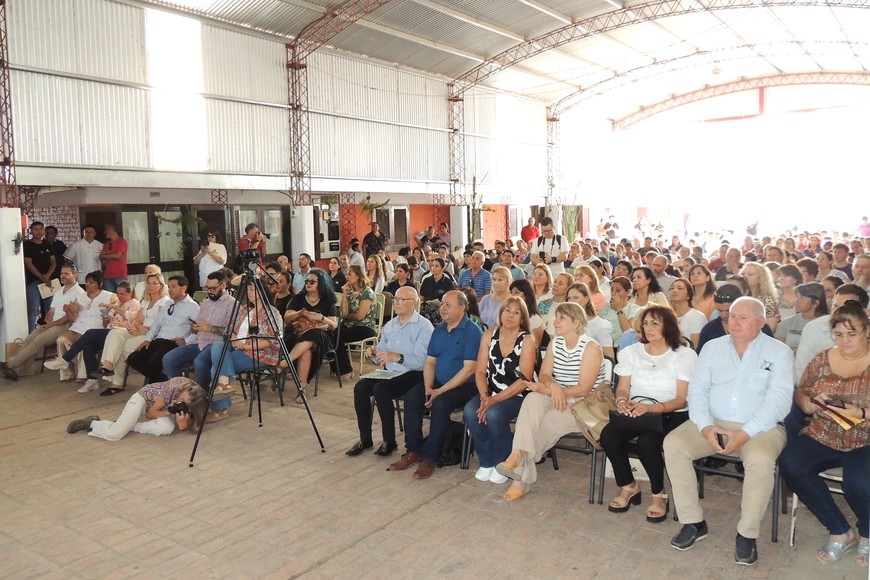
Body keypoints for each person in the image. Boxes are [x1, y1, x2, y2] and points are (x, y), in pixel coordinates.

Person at [663, 297, 793, 566]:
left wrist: (745, 433)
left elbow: (779, 402)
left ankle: (747, 534)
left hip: (762, 429)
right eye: (732, 316)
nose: (734, 322)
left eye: (743, 318)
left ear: (760, 322)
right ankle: (693, 522)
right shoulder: (712, 348)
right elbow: (697, 391)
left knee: (761, 460)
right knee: (673, 444)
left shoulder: (779, 352)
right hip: (713, 422)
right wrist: (706, 426)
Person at [779, 302, 870, 566]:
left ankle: (867, 532)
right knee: (791, 463)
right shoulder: (823, 359)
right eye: (838, 334)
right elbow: (802, 390)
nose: (844, 340)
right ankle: (840, 531)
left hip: (865, 440)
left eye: (852, 334)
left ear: (867, 331)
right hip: (824, 433)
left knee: (858, 483)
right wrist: (807, 403)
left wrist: (862, 413)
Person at [495, 302, 606, 501]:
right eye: (556, 317)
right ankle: (517, 453)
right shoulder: (556, 343)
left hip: (583, 405)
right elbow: (544, 374)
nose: (555, 321)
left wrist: (551, 390)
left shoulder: (591, 348)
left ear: (576, 322)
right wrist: (553, 387)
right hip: (557, 396)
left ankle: (521, 476)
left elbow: (584, 389)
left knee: (548, 420)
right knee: (532, 399)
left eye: (561, 318)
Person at [600, 306, 697, 522]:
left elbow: (682, 399)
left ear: (668, 326)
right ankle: (629, 486)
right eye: (645, 323)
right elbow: (622, 388)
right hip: (637, 410)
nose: (648, 328)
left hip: (670, 413)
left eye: (655, 323)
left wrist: (650, 408)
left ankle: (658, 494)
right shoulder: (631, 353)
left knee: (647, 442)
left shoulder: (683, 355)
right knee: (608, 436)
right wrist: (622, 402)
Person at [388, 290, 483, 479]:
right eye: (442, 304)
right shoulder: (439, 329)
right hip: (439, 382)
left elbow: (468, 370)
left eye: (448, 305)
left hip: (466, 385)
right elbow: (430, 362)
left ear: (462, 308)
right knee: (413, 397)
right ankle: (413, 450)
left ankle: (430, 456)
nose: (443, 308)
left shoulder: (472, 331)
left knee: (440, 403)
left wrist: (439, 391)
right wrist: (428, 387)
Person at [346, 286, 433, 458]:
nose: (396, 303)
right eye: (395, 299)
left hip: (414, 373)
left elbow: (422, 362)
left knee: (381, 389)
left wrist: (397, 357)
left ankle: (389, 440)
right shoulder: (390, 325)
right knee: (360, 388)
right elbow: (382, 353)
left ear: (413, 303)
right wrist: (374, 354)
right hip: (391, 372)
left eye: (401, 299)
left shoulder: (424, 327)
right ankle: (365, 438)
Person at [464, 296, 536, 484]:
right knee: (471, 411)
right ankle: (487, 461)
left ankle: (503, 462)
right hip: (492, 391)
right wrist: (484, 396)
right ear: (501, 313)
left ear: (522, 319)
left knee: (494, 413)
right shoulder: (488, 335)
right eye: (507, 310)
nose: (510, 315)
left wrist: (493, 401)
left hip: (520, 394)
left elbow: (524, 380)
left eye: (516, 312)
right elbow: (480, 371)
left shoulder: (527, 340)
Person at [46, 280, 141, 393]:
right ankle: (92, 380)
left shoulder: (135, 303)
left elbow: (130, 317)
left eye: (122, 294)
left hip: (122, 333)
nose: (119, 296)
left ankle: (65, 359)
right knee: (89, 345)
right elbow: (106, 324)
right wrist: (105, 318)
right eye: (118, 293)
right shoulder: (117, 303)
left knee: (90, 333)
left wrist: (115, 308)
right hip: (109, 331)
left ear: (130, 293)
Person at [206, 282, 283, 422]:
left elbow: (271, 340)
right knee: (217, 345)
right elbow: (229, 329)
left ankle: (221, 407)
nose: (249, 292)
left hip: (260, 353)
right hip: (236, 345)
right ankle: (224, 384)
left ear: (262, 291)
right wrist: (235, 339)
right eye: (247, 289)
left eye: (252, 289)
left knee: (216, 366)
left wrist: (246, 346)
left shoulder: (271, 312)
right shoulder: (244, 309)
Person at [0, 264, 84, 381]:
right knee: (30, 338)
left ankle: (10, 364)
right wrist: (46, 324)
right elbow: (51, 311)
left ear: (75, 275)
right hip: (53, 324)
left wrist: (51, 325)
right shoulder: (59, 291)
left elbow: (69, 317)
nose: (63, 276)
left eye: (66, 273)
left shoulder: (79, 293)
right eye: (61, 273)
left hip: (66, 326)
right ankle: (16, 369)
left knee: (38, 341)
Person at [160, 271, 236, 395]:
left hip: (215, 345)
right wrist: (194, 327)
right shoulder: (206, 303)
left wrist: (210, 328)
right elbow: (196, 329)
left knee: (199, 363)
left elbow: (233, 331)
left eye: (213, 288)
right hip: (198, 342)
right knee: (168, 359)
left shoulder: (232, 304)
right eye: (207, 288)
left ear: (223, 285)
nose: (209, 291)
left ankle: (203, 394)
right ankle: (182, 393)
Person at [66, 377, 207, 441]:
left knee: (167, 428)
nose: (180, 402)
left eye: (185, 404)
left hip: (164, 408)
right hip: (144, 399)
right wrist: (169, 412)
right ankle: (92, 423)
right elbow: (151, 413)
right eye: (181, 399)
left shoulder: (198, 400)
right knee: (116, 433)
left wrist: (183, 424)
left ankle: (131, 426)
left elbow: (193, 427)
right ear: (186, 389)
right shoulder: (174, 385)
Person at [97, 273, 170, 395]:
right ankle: (108, 364)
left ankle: (117, 382)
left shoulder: (165, 302)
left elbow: (163, 324)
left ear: (161, 285)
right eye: (148, 283)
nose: (150, 286)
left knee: (120, 348)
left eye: (154, 283)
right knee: (115, 333)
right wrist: (137, 327)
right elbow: (138, 319)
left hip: (153, 335)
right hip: (139, 331)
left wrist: (145, 330)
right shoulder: (146, 301)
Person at [44, 271, 115, 384]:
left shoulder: (109, 296)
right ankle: (66, 372)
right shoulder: (80, 297)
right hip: (79, 327)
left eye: (91, 282)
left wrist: (107, 317)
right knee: (61, 339)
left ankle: (82, 375)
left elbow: (114, 315)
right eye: (86, 282)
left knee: (85, 341)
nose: (87, 284)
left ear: (99, 284)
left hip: (97, 328)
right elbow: (72, 318)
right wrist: (68, 311)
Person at [126, 276, 199, 385]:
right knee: (133, 359)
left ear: (183, 288)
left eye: (173, 286)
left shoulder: (193, 306)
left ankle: (156, 385)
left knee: (152, 362)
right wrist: (148, 339)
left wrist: (186, 340)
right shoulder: (168, 303)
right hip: (159, 339)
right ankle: (163, 380)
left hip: (173, 342)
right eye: (169, 287)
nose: (170, 290)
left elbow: (199, 329)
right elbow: (157, 323)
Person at [282, 268, 339, 403]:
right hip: (297, 334)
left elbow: (333, 325)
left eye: (312, 282)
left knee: (314, 333)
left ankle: (286, 362)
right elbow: (286, 318)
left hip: (321, 336)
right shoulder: (299, 298)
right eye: (307, 281)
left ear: (321, 284)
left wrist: (320, 318)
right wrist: (299, 313)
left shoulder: (328, 301)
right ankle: (301, 389)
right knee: (306, 352)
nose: (308, 283)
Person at [794, 283, 870, 382]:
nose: (839, 313)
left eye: (846, 308)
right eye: (835, 306)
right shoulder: (814, 328)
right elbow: (801, 373)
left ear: (864, 312)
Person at [696, 284, 776, 353]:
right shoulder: (709, 330)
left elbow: (772, 353)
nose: (724, 315)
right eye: (720, 310)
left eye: (728, 311)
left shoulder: (760, 327)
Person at [336, 265, 378, 382]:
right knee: (329, 334)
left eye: (350, 274)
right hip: (350, 325)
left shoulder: (367, 292)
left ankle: (346, 370)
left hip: (365, 327)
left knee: (337, 336)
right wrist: (344, 294)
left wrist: (349, 316)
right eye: (346, 274)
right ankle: (339, 369)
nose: (346, 276)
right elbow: (344, 313)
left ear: (358, 276)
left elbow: (360, 316)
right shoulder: (349, 291)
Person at [775, 282, 827, 351]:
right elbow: (779, 349)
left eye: (802, 298)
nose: (797, 301)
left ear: (815, 303)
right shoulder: (786, 323)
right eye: (797, 297)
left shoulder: (828, 323)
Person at [23, 221, 56, 331]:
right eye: (35, 229)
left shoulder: (46, 244)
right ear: (31, 231)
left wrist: (47, 275)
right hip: (33, 281)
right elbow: (28, 263)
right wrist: (41, 276)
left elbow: (53, 262)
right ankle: (30, 334)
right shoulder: (27, 245)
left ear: (44, 231)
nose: (38, 231)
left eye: (40, 229)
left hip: (48, 281)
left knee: (51, 309)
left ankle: (48, 332)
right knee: (33, 310)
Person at [567, 283, 614, 359]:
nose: (571, 301)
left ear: (586, 299)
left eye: (575, 298)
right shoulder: (564, 324)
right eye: (569, 298)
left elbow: (609, 358)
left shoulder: (600, 325)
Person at [598, 276, 639, 350]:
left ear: (628, 292)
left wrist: (619, 309)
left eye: (618, 290)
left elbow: (628, 332)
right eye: (612, 289)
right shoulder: (604, 308)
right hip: (604, 347)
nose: (613, 293)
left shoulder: (634, 309)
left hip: (624, 348)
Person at [668, 279, 707, 348]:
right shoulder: (664, 316)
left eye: (680, 288)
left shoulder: (697, 316)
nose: (674, 290)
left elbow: (695, 346)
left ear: (688, 295)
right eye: (672, 288)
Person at [509, 279, 545, 347]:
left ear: (526, 295)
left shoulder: (534, 319)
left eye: (517, 292)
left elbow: (535, 347)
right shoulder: (505, 314)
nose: (512, 296)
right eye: (511, 292)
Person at [100, 224, 128, 292]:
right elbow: (101, 257)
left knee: (122, 293)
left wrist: (107, 256)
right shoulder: (107, 244)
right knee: (110, 296)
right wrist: (113, 256)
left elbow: (118, 255)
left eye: (106, 230)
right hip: (108, 275)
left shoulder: (121, 241)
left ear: (111, 230)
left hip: (120, 274)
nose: (104, 232)